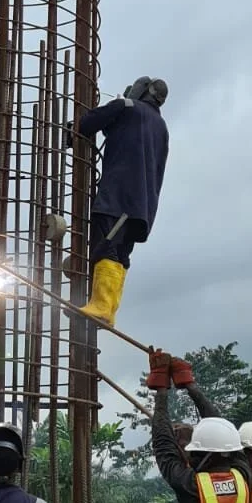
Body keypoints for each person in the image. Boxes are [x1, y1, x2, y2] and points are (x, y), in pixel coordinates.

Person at [73, 76, 170, 327]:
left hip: (117, 197)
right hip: (143, 208)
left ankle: (101, 306)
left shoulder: (127, 107)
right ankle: (109, 309)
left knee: (105, 246)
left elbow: (87, 124)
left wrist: (71, 132)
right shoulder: (161, 126)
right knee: (121, 253)